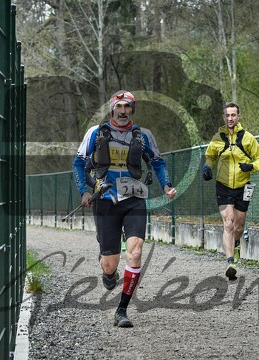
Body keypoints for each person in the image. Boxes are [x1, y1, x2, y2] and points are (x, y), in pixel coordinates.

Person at [72, 90, 176, 327]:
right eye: (119, 106)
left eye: (127, 106)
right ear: (112, 109)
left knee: (136, 252)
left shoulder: (143, 136)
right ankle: (108, 272)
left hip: (134, 199)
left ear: (132, 110)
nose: (123, 110)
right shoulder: (96, 133)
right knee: (110, 264)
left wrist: (167, 185)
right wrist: (84, 191)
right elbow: (78, 163)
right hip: (105, 200)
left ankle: (122, 310)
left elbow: (158, 162)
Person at [202, 102, 259, 280]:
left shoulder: (248, 138)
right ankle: (230, 262)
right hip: (223, 185)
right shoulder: (217, 137)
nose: (230, 118)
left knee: (238, 226)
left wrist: (250, 166)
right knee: (228, 223)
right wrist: (207, 168)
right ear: (224, 117)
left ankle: (236, 243)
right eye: (227, 115)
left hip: (244, 186)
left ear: (239, 117)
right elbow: (210, 156)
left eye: (233, 115)